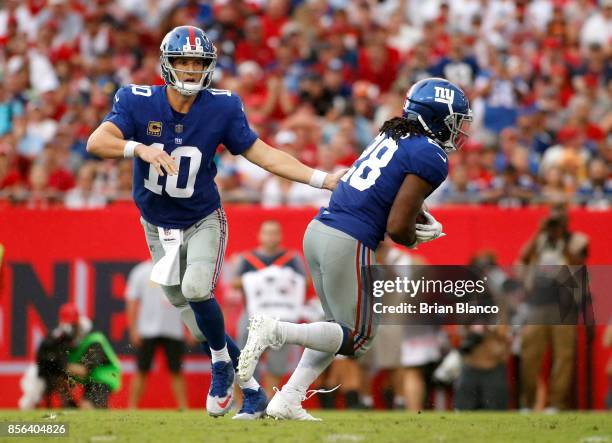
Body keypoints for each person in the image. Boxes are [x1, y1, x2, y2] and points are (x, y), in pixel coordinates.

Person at [86, 25, 344, 419]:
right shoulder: (137, 100)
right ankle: (251, 388)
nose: (190, 69)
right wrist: (138, 148)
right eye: (182, 61)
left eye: (197, 62)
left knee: (195, 288)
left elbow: (264, 155)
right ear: (166, 64)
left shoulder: (222, 107)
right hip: (157, 224)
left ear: (208, 67)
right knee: (188, 314)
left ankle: (222, 365)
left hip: (202, 218)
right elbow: (96, 142)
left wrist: (323, 179)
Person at [239, 77, 473, 420]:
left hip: (320, 229)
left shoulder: (393, 134)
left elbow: (386, 189)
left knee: (335, 327)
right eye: (454, 121)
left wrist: (419, 215)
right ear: (435, 117)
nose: (458, 130)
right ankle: (275, 330)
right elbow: (396, 227)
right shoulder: (431, 155)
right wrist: (417, 234)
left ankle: (289, 397)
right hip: (349, 238)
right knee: (359, 339)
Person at [232, 220, 306, 399]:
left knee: (277, 361)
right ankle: (241, 402)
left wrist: (281, 278)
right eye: (267, 233)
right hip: (253, 315)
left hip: (282, 315)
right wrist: (262, 277)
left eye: (275, 233)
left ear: (280, 236)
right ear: (260, 235)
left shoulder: (292, 258)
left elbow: (304, 282)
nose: (271, 237)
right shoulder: (247, 258)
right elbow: (234, 283)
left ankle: (268, 402)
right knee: (244, 357)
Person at [26, 303, 121, 409]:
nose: (68, 331)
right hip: (85, 376)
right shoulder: (62, 337)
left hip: (103, 376)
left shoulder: (94, 340)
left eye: (71, 326)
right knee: (56, 375)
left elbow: (85, 371)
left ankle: (98, 409)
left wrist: (60, 364)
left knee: (87, 408)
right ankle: (69, 405)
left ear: (78, 324)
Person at [125, 260, 188, 410]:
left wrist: (188, 328)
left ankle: (183, 406)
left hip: (173, 329)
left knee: (176, 371)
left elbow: (187, 301)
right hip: (147, 329)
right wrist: (133, 328)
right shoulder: (141, 271)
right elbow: (132, 301)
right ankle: (131, 406)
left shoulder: (179, 270)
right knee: (141, 370)